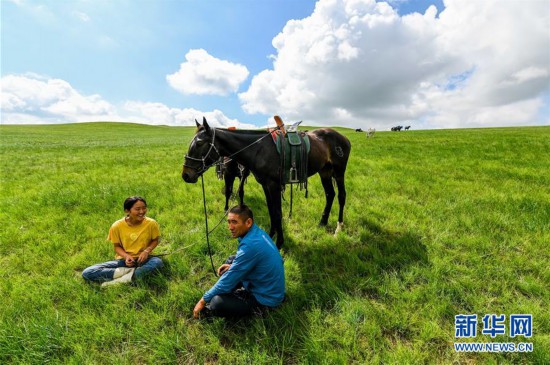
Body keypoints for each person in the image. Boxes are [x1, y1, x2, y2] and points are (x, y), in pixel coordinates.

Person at [193, 204, 285, 319]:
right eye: (229, 222)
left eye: (235, 222)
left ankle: (254, 306)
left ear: (248, 222)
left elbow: (229, 279)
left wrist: (202, 301)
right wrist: (233, 265)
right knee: (232, 260)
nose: (230, 227)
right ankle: (236, 292)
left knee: (217, 303)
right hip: (268, 286)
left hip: (266, 300)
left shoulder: (251, 245)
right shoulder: (257, 233)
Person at [82, 196, 163, 287]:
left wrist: (146, 251)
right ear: (127, 211)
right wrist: (126, 256)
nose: (142, 212)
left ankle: (122, 280)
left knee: (157, 262)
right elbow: (117, 246)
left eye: (144, 208)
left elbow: (155, 240)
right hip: (124, 262)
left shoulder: (151, 223)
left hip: (145, 259)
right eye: (137, 209)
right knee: (87, 272)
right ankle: (132, 274)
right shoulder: (117, 226)